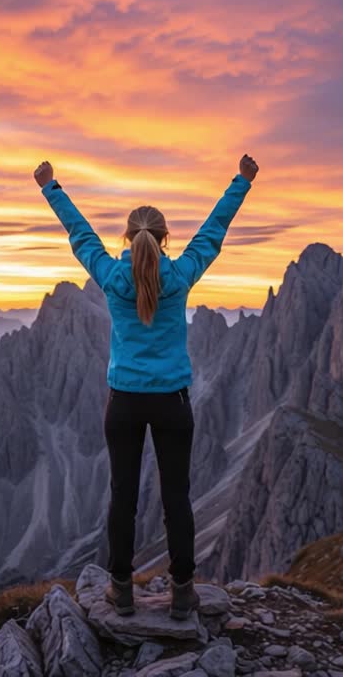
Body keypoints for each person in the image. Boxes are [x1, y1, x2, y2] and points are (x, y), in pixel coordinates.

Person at [35, 154, 259, 620]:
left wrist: (51, 188)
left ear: (127, 240)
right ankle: (182, 593)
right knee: (177, 496)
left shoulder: (114, 277)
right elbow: (213, 232)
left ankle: (120, 590)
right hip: (173, 402)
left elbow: (81, 237)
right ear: (164, 239)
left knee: (123, 496)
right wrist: (241, 181)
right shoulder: (178, 277)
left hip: (124, 404)